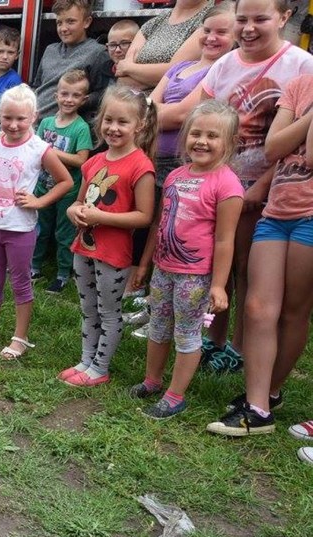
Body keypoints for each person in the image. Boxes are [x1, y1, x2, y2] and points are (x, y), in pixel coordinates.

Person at [192, 0, 313, 373]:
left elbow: (295, 143)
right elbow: (204, 114)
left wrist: (260, 186)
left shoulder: (301, 66)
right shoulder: (225, 63)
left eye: (260, 19)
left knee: (246, 267)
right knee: (218, 264)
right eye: (241, 19)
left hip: (265, 186)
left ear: (283, 17)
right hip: (219, 181)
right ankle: (214, 337)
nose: (248, 28)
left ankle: (240, 346)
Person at [206, 72, 313, 436]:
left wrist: (300, 123)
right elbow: (273, 149)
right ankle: (258, 406)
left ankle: (268, 393)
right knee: (257, 307)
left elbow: (309, 154)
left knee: (294, 311)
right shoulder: (302, 84)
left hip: (311, 217)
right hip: (277, 211)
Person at [128, 101, 242, 420]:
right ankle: (152, 380)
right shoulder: (177, 175)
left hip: (195, 276)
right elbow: (159, 223)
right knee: (159, 325)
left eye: (212, 135)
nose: (201, 141)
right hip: (164, 270)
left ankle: (175, 396)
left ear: (230, 143)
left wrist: (218, 285)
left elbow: (225, 240)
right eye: (195, 133)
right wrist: (145, 264)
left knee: (187, 333)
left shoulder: (227, 184)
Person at [127, 4, 235, 337]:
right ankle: (152, 301)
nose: (213, 37)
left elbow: (180, 116)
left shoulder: (220, 71)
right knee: (160, 226)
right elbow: (148, 107)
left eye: (222, 32)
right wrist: (155, 111)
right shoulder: (182, 68)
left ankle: (176, 313)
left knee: (181, 231)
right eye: (208, 30)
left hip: (188, 162)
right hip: (158, 157)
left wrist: (158, 111)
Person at [60, 86, 157, 387]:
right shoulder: (94, 162)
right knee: (88, 308)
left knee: (109, 311)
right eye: (109, 120)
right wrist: (73, 212)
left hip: (114, 253)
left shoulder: (141, 166)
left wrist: (102, 218)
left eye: (123, 122)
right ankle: (86, 359)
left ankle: (100, 368)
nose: (114, 128)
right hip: (84, 247)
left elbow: (144, 216)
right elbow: (77, 201)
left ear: (139, 125)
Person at [0, 84, 72, 358]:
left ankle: (20, 337)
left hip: (21, 228)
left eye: (21, 119)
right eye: (8, 118)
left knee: (20, 281)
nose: (13, 125)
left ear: (33, 117)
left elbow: (65, 181)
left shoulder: (39, 149)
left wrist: (39, 201)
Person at [29, 69, 92, 294]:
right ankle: (34, 268)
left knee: (64, 235)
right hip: (42, 187)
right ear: (56, 95)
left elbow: (81, 160)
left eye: (75, 96)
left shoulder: (81, 127)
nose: (69, 100)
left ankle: (63, 274)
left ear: (84, 99)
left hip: (67, 193)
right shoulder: (46, 123)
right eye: (64, 94)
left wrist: (49, 151)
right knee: (39, 229)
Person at [30, 0, 112, 122]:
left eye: (70, 21)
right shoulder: (50, 50)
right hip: (32, 123)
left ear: (87, 22)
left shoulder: (98, 53)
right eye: (59, 23)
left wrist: (74, 102)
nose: (63, 28)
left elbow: (103, 94)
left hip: (63, 128)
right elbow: (37, 86)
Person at [115, 0, 211, 92]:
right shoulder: (155, 23)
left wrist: (129, 68)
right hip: (131, 102)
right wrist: (154, 76)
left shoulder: (209, 21)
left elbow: (176, 72)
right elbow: (123, 78)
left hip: (169, 104)